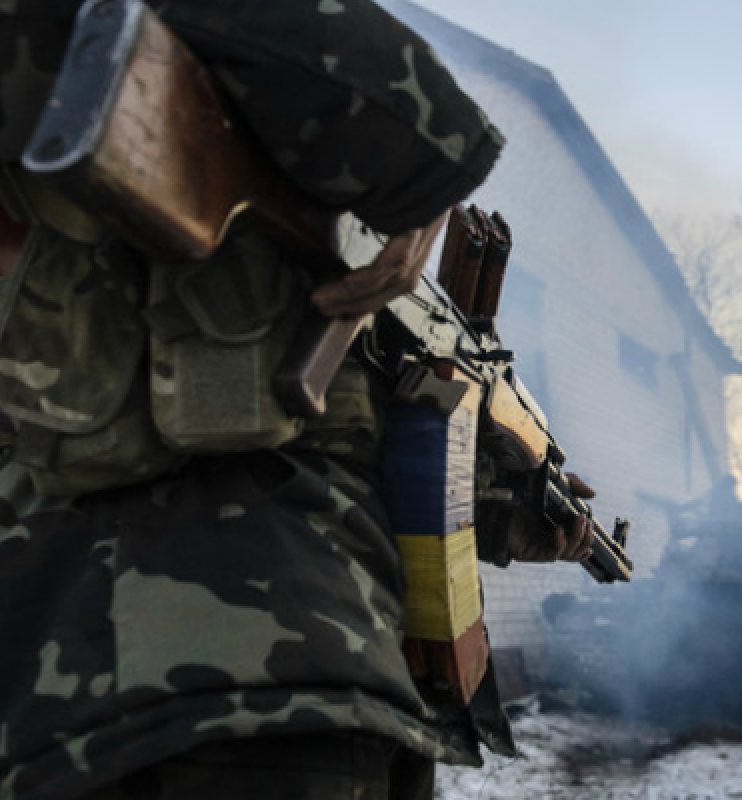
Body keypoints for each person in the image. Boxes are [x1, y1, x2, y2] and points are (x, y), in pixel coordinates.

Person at [0, 1, 592, 797]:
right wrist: (429, 176)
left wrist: (502, 514)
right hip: (242, 665)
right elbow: (419, 110)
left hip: (105, 668)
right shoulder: (129, 88)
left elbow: (366, 434)